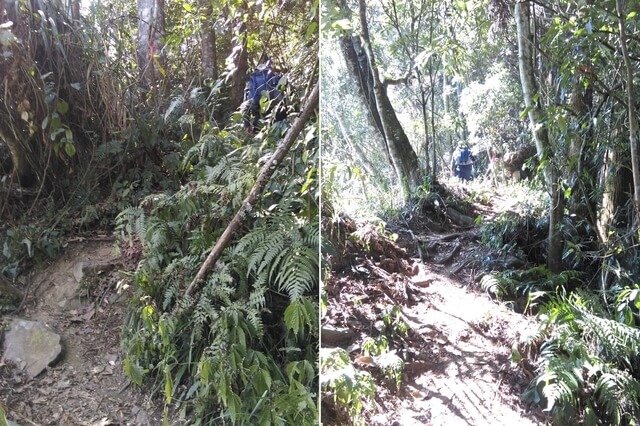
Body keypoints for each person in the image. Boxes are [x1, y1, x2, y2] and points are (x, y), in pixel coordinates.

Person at [242, 60, 286, 134]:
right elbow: (285, 96)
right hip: (277, 113)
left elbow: (246, 104)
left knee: (260, 140)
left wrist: (247, 124)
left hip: (259, 116)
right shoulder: (276, 77)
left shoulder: (251, 82)